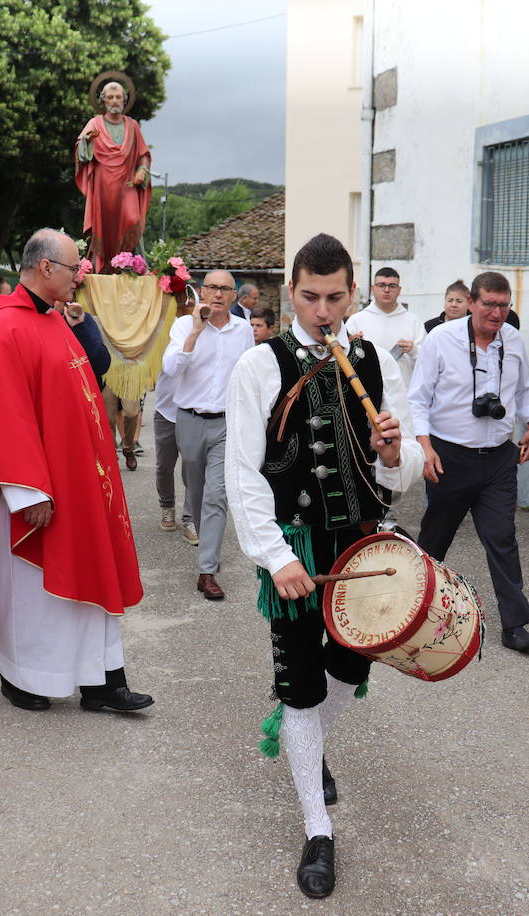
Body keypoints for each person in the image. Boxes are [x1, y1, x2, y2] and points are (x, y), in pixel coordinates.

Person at [226, 233, 423, 899]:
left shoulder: (370, 360)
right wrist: (274, 556)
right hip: (294, 546)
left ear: (352, 290)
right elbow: (244, 475)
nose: (322, 311)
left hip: (360, 545)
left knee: (350, 666)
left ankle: (301, 738)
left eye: (335, 297)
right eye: (309, 297)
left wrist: (393, 452)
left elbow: (405, 475)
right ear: (292, 293)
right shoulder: (259, 366)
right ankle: (318, 827)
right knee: (303, 682)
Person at [0, 228, 152, 714]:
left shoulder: (52, 321)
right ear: (46, 268)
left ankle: (102, 682)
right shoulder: (7, 330)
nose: (79, 277)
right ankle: (22, 677)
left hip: (79, 485)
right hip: (31, 495)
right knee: (33, 597)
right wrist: (29, 494)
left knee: (87, 582)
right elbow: (4, 419)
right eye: (73, 269)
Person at [409, 271, 529, 653]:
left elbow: (523, 392)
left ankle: (515, 625)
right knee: (435, 540)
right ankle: (412, 612)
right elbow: (417, 399)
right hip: (449, 456)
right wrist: (425, 447)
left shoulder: (514, 340)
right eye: (489, 304)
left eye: (504, 305)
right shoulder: (441, 339)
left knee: (502, 539)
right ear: (471, 302)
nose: (497, 313)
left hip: (499, 459)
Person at [161, 269, 255, 600]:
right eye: (212, 287)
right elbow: (171, 369)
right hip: (188, 420)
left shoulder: (243, 330)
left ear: (233, 296)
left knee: (217, 494)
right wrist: (196, 333)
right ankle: (206, 547)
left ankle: (207, 570)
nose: (217, 294)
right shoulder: (184, 325)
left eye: (224, 289)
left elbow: (247, 376)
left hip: (226, 424)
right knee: (197, 490)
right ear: (202, 291)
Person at [75, 79, 151, 269]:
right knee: (103, 231)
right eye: (110, 97)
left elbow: (144, 155)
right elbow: (81, 153)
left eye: (118, 97)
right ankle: (102, 268)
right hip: (103, 188)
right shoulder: (95, 123)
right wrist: (87, 141)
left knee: (133, 220)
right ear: (104, 100)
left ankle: (134, 267)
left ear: (124, 100)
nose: (115, 101)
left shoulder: (133, 126)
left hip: (127, 186)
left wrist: (142, 170)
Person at [153, 297, 196, 542]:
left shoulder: (203, 331)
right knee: (163, 466)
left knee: (192, 468)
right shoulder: (162, 333)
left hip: (192, 412)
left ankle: (190, 519)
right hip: (166, 412)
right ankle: (167, 507)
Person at [344, 267, 426, 385]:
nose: (386, 290)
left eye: (392, 286)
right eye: (381, 285)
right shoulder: (356, 320)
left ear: (399, 290)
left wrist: (413, 350)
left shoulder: (413, 321)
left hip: (402, 389)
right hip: (367, 389)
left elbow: (428, 360)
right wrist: (351, 345)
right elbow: (341, 358)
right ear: (373, 288)